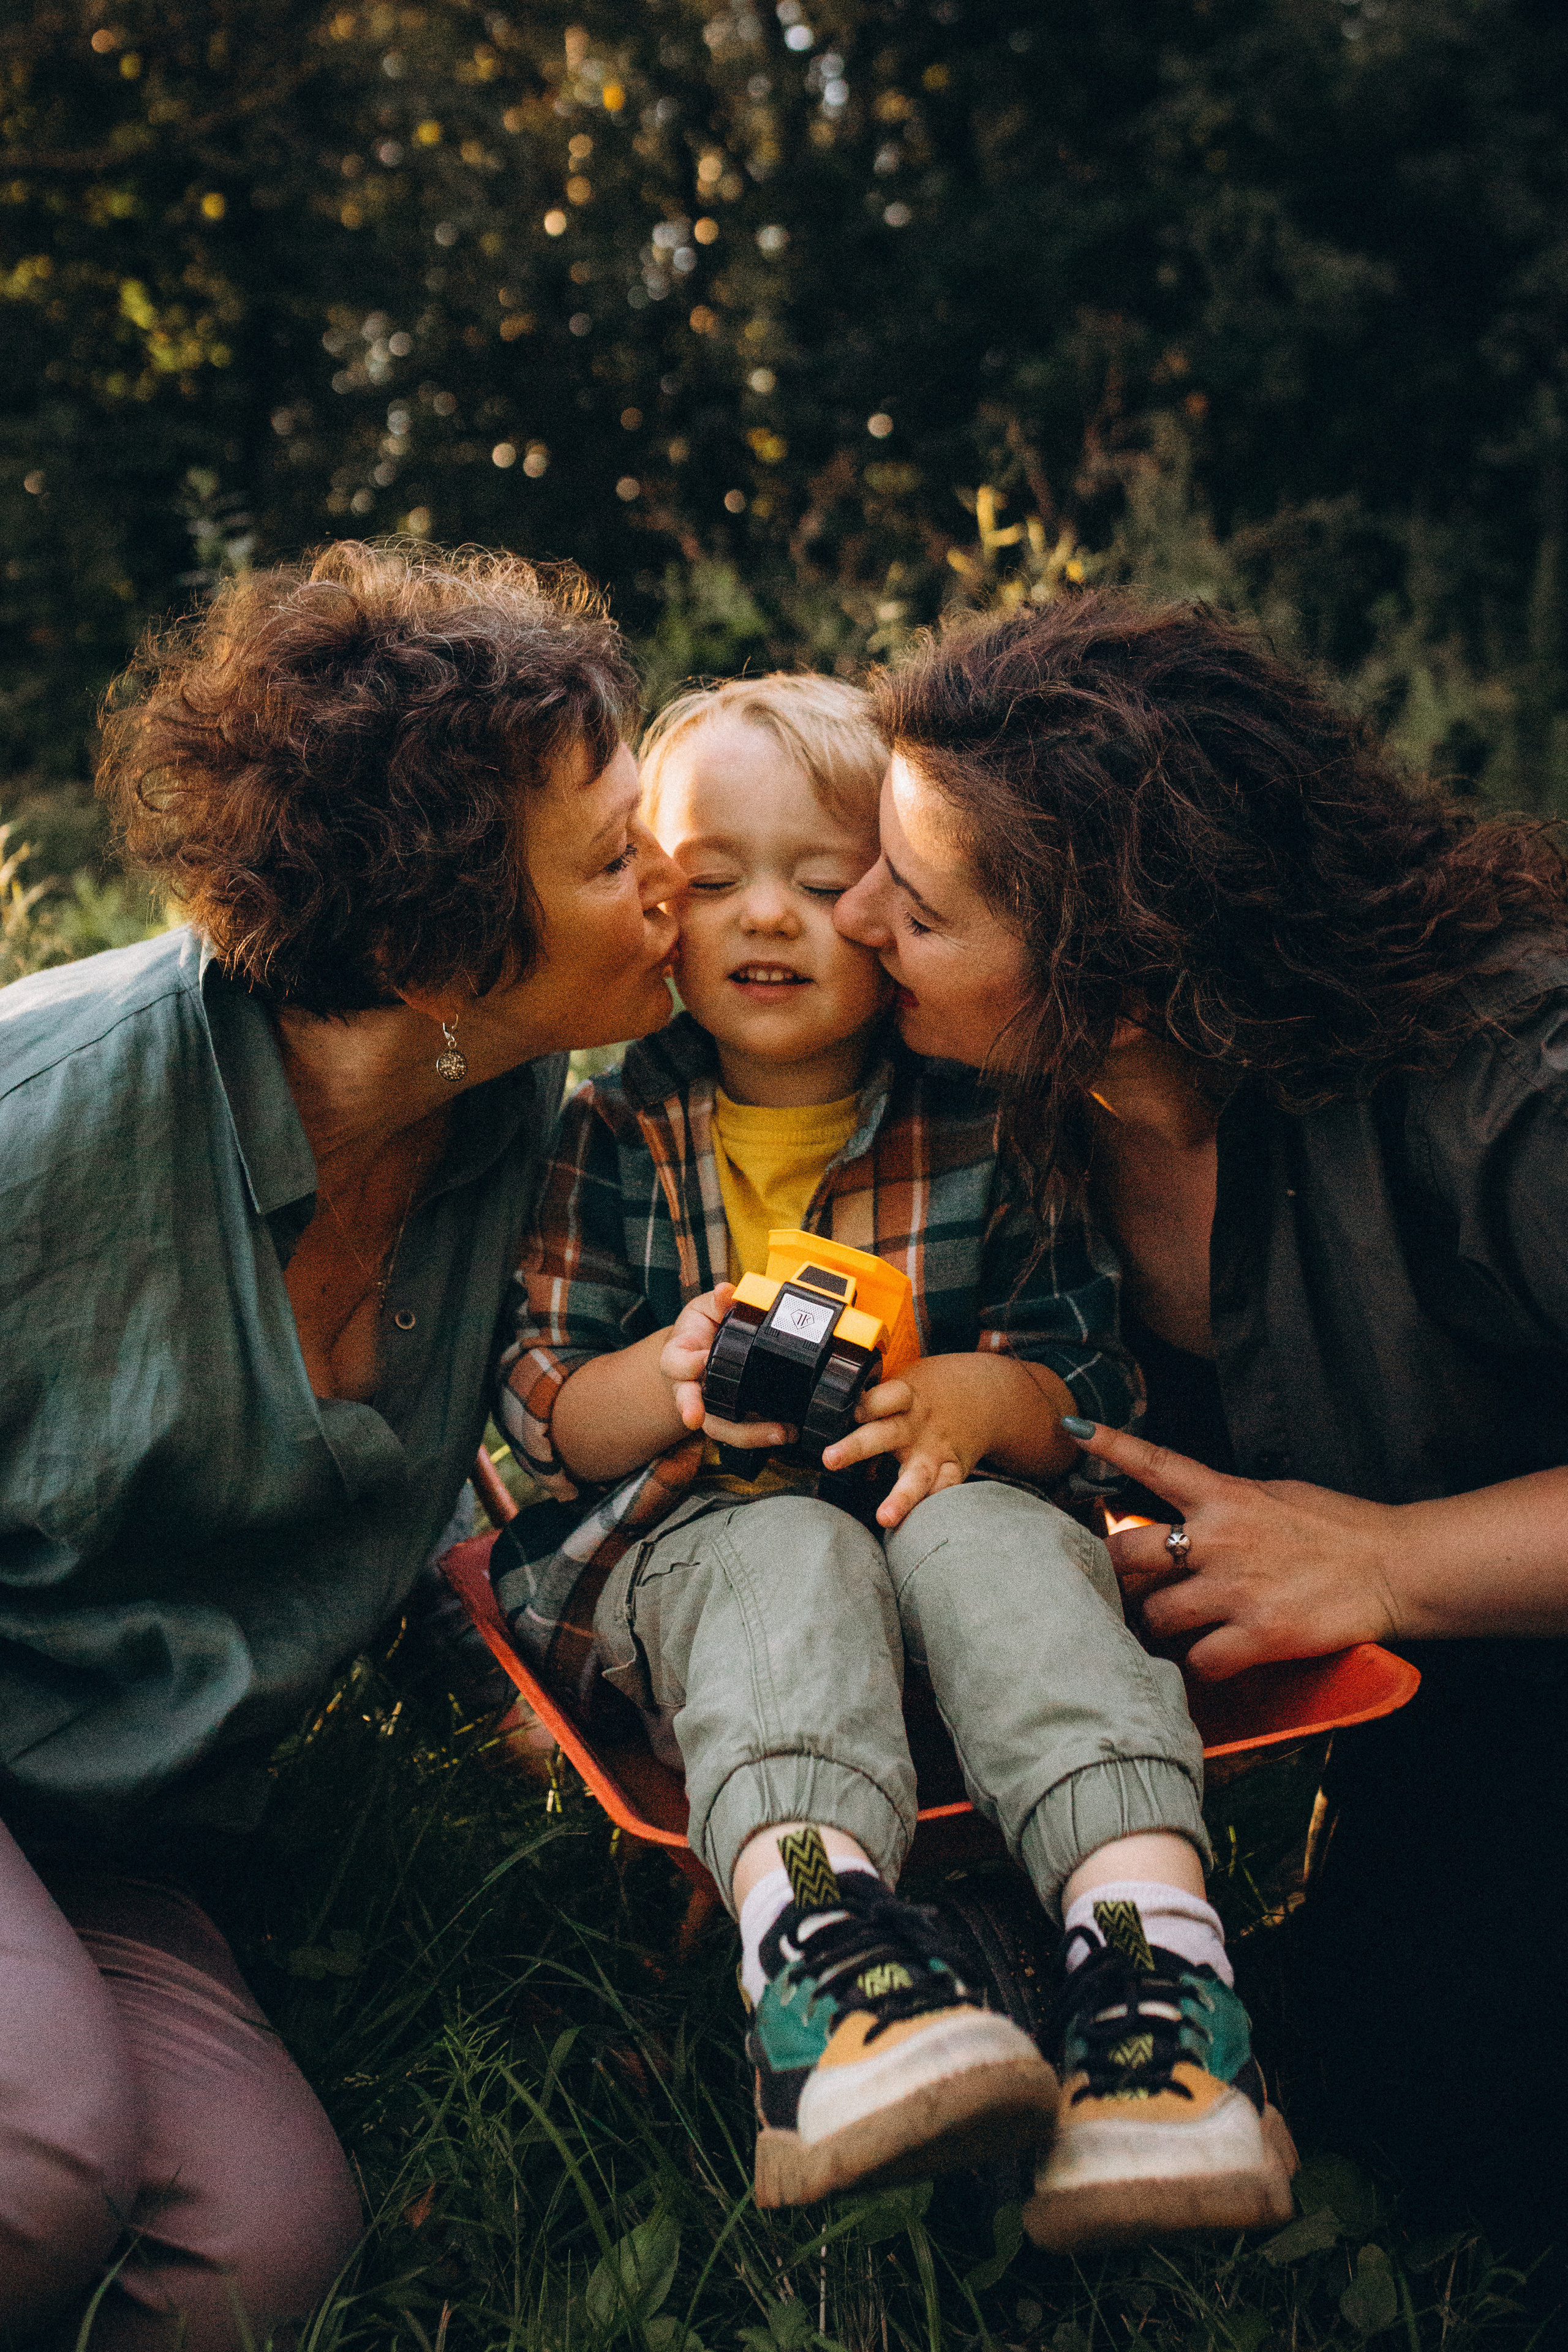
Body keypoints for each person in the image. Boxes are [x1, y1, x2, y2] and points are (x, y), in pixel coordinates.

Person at [491, 671, 1297, 2241]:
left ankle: (1159, 1986)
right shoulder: (614, 1128)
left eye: (820, 879)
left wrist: (977, 1401)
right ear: (656, 904)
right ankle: (825, 1975)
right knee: (787, 1545)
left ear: (887, 905)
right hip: (700, 1565)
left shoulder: (984, 1120)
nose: (766, 917)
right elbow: (541, 1406)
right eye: (713, 880)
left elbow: (1084, 1381)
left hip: (951, 1566)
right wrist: (666, 1379)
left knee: (993, 1533)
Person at [0, 543, 684, 2346]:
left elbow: (427, 1503)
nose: (672, 878)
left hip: (114, 1830)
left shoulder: (520, 1126)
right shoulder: (39, 1121)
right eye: (613, 857)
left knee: (259, 2257)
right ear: (425, 950)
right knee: (42, 2167)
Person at [833, 590, 1568, 2222]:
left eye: (921, 906)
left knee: (1447, 2114)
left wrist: (1389, 1562)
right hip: (1364, 1710)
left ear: (1115, 989)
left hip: (1521, 1650)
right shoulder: (980, 1106)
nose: (857, 911)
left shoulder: (1508, 1089)